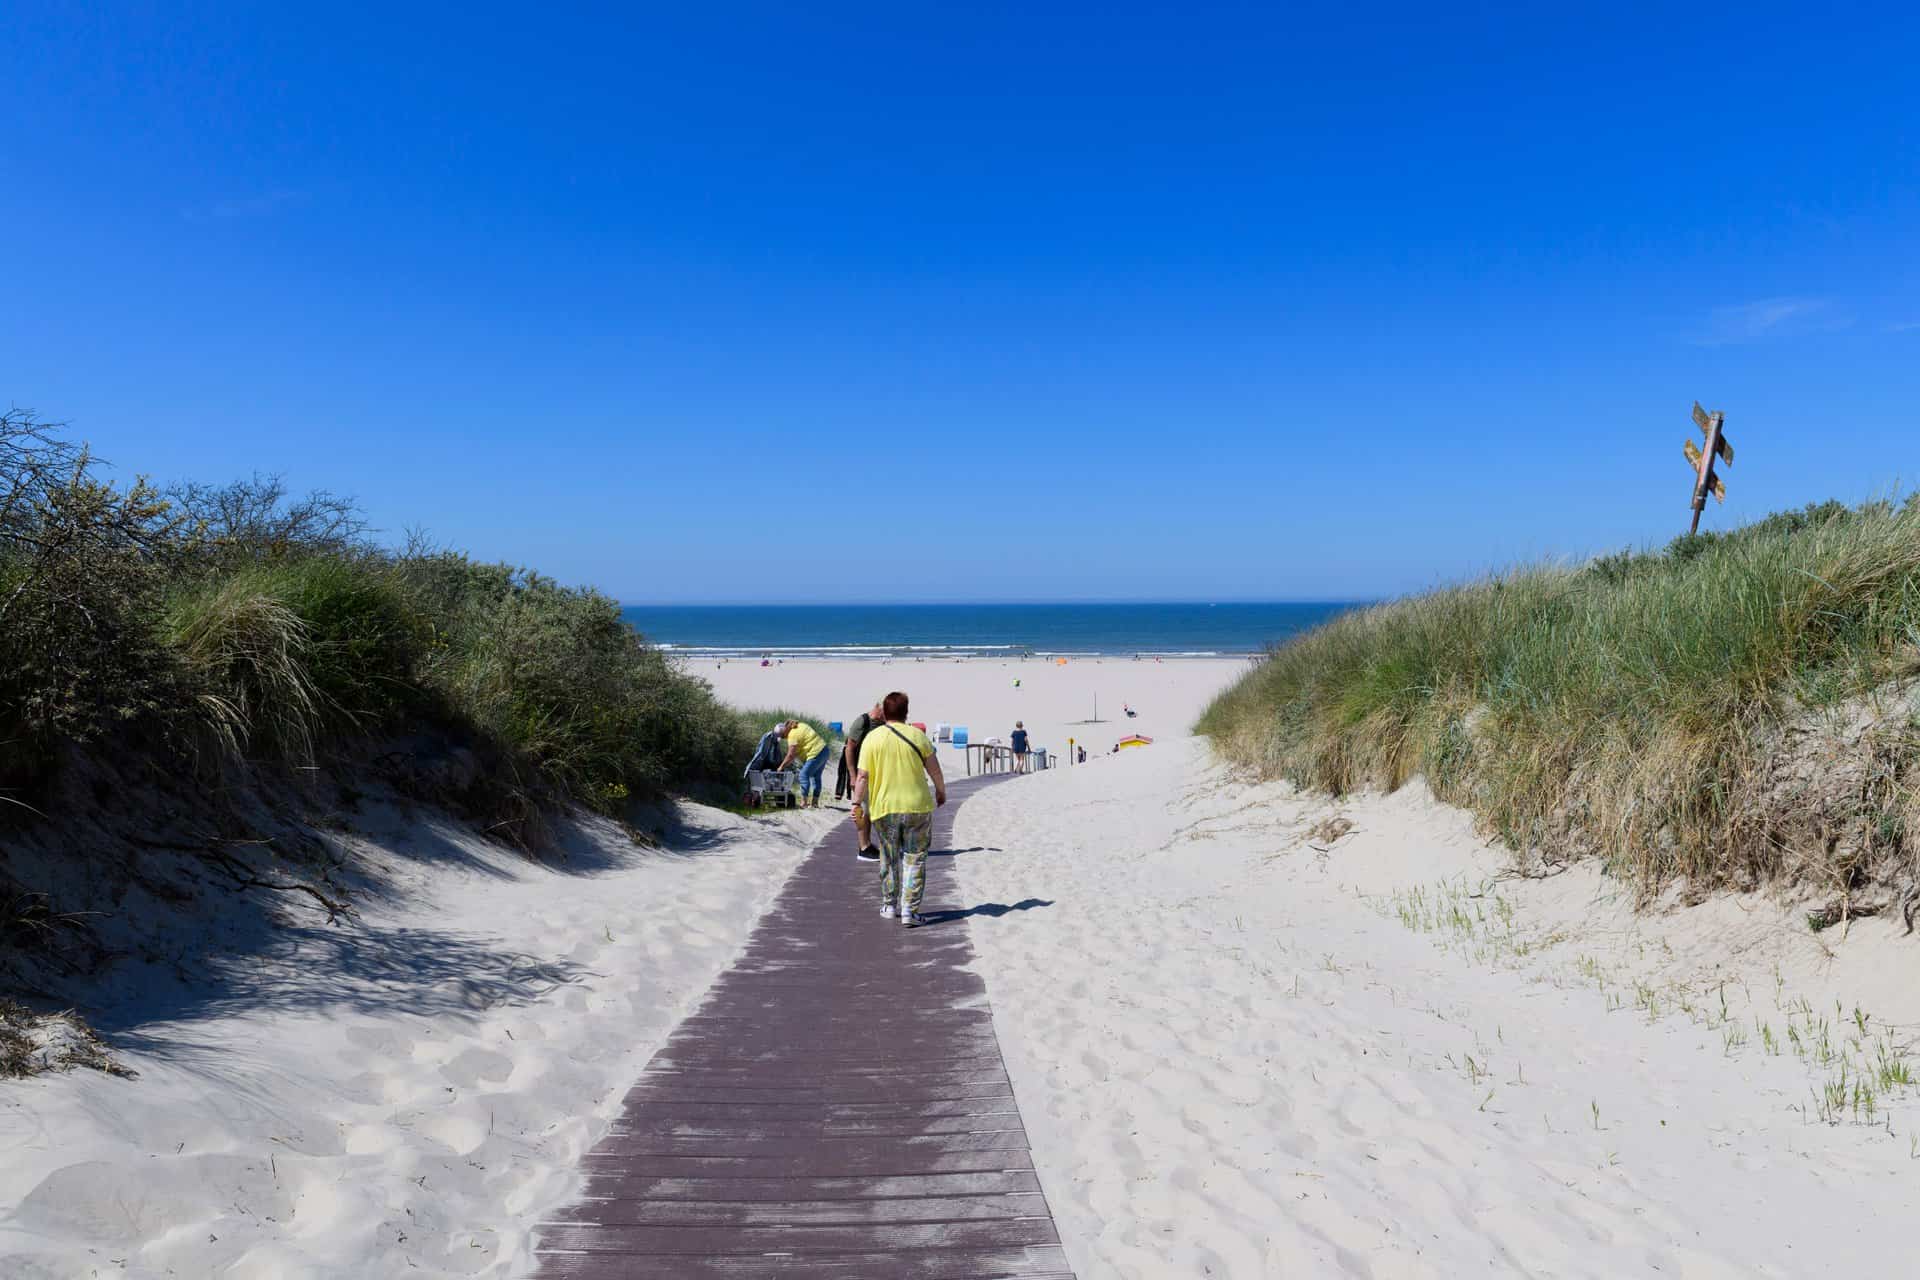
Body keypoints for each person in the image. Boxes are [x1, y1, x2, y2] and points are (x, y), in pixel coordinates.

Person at [851, 691, 946, 928]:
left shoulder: (872, 738)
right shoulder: (918, 735)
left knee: (889, 856)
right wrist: (940, 790)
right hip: (917, 807)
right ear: (906, 712)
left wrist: (855, 803)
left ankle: (889, 904)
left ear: (884, 711)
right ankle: (909, 910)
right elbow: (934, 768)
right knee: (915, 858)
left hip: (885, 808)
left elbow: (862, 776)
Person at [842, 699, 885, 861]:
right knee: (862, 810)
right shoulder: (862, 722)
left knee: (870, 811)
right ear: (878, 709)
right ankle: (863, 847)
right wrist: (852, 775)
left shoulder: (882, 723)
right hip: (861, 773)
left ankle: (867, 844)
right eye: (885, 712)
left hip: (875, 774)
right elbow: (849, 748)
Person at [776, 718, 830, 808]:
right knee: (816, 776)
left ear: (784, 731)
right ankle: (815, 802)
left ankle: (804, 802)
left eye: (782, 736)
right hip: (824, 750)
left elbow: (790, 755)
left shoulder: (792, 735)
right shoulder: (800, 725)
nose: (783, 738)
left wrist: (781, 767)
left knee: (803, 775)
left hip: (815, 753)